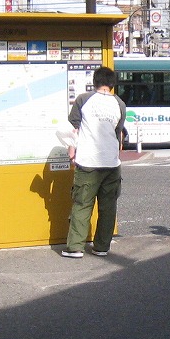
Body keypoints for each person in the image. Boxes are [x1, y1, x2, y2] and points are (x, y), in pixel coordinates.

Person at [61, 66, 124, 258]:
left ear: (94, 82)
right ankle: (102, 247)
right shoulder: (119, 104)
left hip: (88, 161)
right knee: (108, 207)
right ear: (112, 84)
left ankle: (75, 247)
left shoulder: (83, 99)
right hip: (112, 163)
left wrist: (72, 149)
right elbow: (117, 132)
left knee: (82, 204)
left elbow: (73, 127)